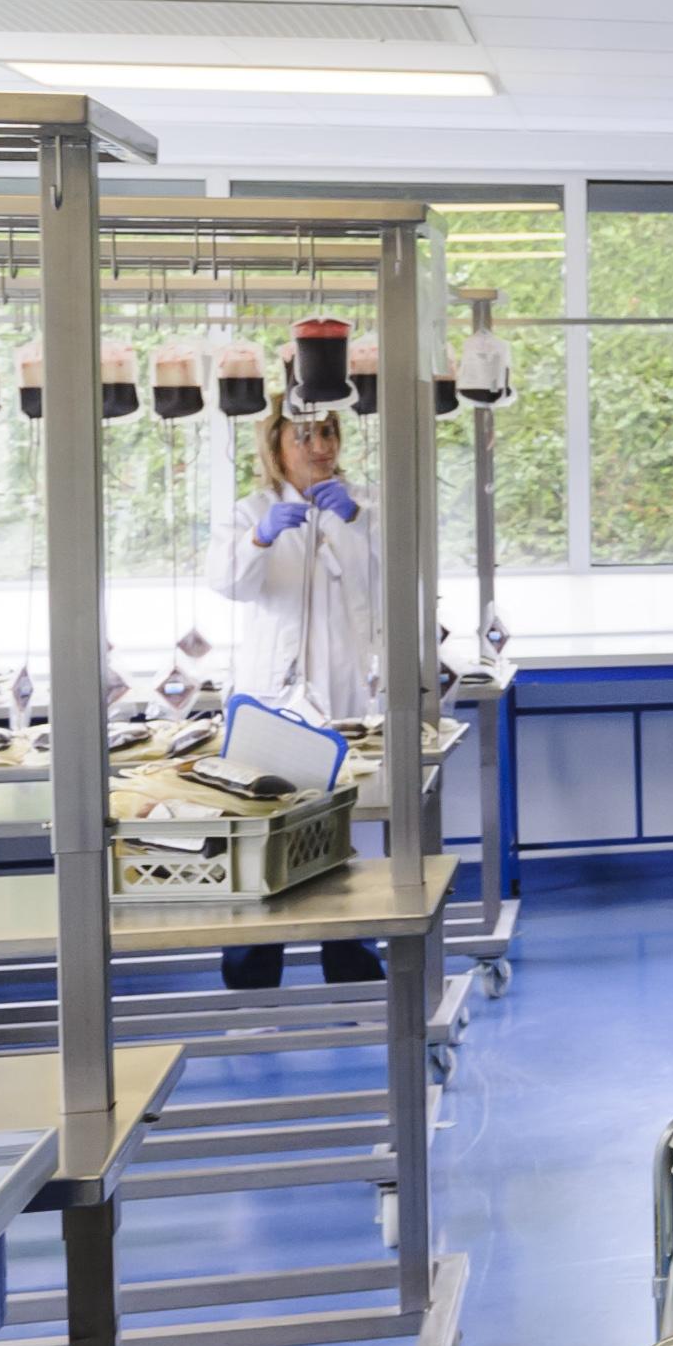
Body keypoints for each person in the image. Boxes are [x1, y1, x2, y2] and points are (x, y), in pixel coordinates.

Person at [204, 407, 384, 993]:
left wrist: (355, 520)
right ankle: (252, 980)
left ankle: (352, 971)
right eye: (303, 435)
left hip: (346, 692)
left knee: (346, 830)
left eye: (328, 432)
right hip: (272, 695)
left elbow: (397, 572)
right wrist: (261, 536)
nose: (319, 445)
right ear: (276, 446)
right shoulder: (250, 512)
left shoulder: (364, 505)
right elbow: (228, 584)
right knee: (262, 831)